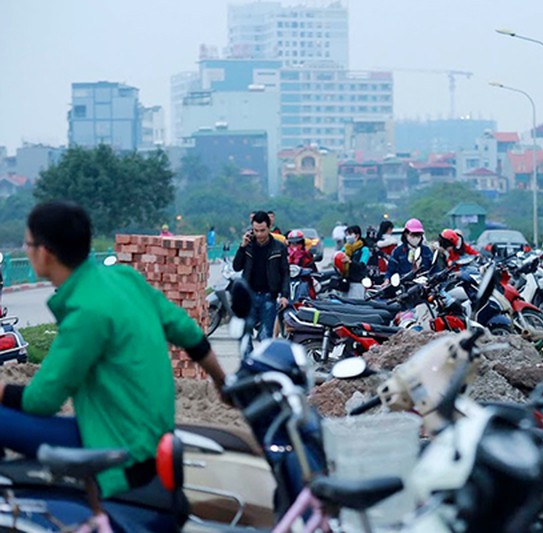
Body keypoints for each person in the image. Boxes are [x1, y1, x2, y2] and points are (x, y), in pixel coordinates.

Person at [0, 201, 228, 499]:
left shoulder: (85, 313)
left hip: (120, 450)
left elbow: (43, 400)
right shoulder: (125, 279)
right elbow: (188, 333)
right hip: (154, 438)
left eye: (28, 244)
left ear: (45, 252)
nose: (27, 251)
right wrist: (222, 382)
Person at [233, 210, 290, 343]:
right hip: (249, 295)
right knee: (244, 335)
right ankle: (247, 361)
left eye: (262, 230)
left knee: (265, 337)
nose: (259, 234)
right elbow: (236, 267)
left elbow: (285, 273)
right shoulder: (248, 246)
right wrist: (242, 247)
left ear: (269, 227)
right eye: (256, 230)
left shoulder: (279, 247)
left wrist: (284, 295)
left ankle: (264, 363)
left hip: (269, 296)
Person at [287, 230, 317, 302]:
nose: (295, 246)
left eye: (298, 243)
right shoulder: (284, 255)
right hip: (287, 283)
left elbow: (314, 270)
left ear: (302, 243)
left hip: (304, 282)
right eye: (292, 243)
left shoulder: (307, 255)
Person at [342, 225, 371, 299]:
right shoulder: (345, 248)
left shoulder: (364, 250)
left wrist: (350, 262)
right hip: (346, 282)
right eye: (347, 235)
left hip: (357, 282)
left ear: (357, 235)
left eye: (350, 234)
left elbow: (361, 266)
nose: (348, 237)